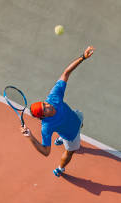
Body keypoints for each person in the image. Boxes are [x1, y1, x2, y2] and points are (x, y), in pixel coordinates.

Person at [21, 46, 95, 177]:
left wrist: (82, 57)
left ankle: (62, 136)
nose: (47, 104)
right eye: (45, 107)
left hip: (76, 116)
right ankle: (61, 168)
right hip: (71, 136)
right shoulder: (47, 127)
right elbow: (46, 151)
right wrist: (31, 137)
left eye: (44, 103)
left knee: (80, 122)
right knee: (70, 151)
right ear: (43, 115)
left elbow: (66, 73)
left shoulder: (53, 97)